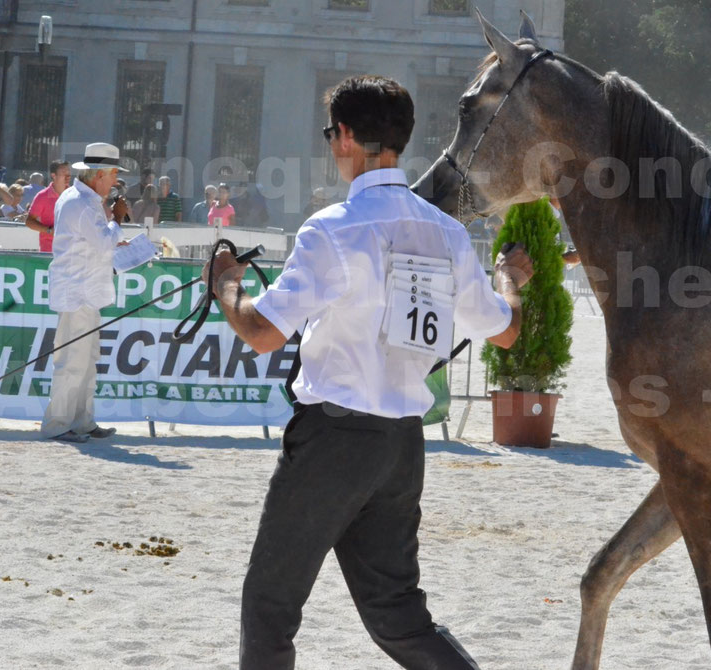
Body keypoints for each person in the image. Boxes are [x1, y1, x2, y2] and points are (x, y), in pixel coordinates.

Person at [204, 75, 533, 670]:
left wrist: (226, 286)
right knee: (398, 616)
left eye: (332, 132)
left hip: (333, 440)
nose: (331, 143)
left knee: (269, 605)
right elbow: (506, 330)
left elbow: (260, 332)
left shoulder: (332, 227)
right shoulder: (448, 233)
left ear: (347, 138)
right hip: (402, 445)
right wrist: (511, 279)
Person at [41, 142, 129, 443]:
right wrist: (118, 219)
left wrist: (114, 232)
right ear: (99, 174)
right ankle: (58, 424)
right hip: (77, 293)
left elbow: (96, 243)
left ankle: (81, 421)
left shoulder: (83, 199)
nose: (115, 180)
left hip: (85, 293)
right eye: (114, 173)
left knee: (87, 360)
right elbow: (104, 242)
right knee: (72, 361)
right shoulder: (80, 202)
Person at [25, 160, 71, 253]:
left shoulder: (74, 194)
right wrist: (49, 230)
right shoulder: (42, 196)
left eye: (69, 173)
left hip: (70, 251)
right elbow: (29, 222)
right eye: (63, 173)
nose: (68, 176)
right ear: (53, 176)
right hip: (49, 252)